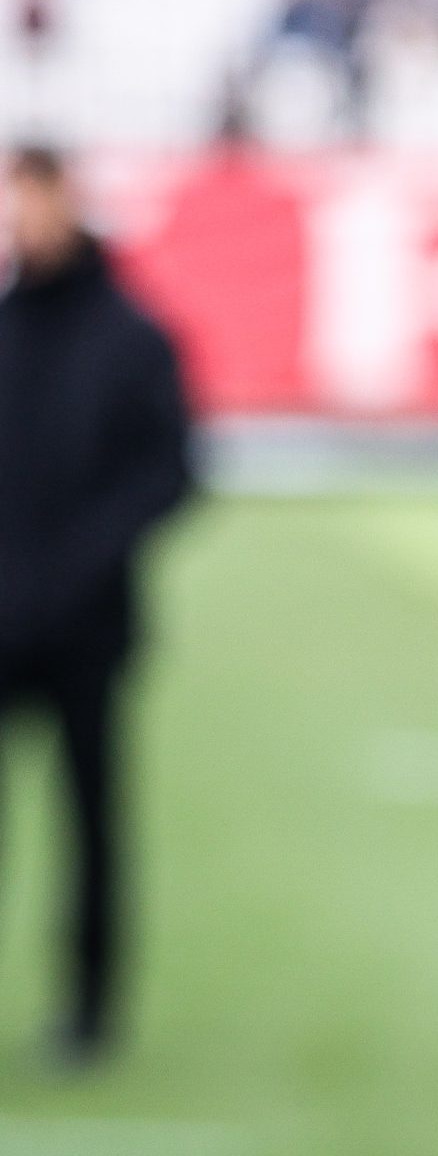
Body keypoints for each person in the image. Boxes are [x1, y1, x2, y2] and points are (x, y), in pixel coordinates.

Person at [0, 145, 193, 1063]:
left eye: (34, 198)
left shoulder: (132, 334)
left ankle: (90, 1012)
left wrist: (81, 562)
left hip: (87, 626)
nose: (22, 218)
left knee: (93, 824)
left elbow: (172, 473)